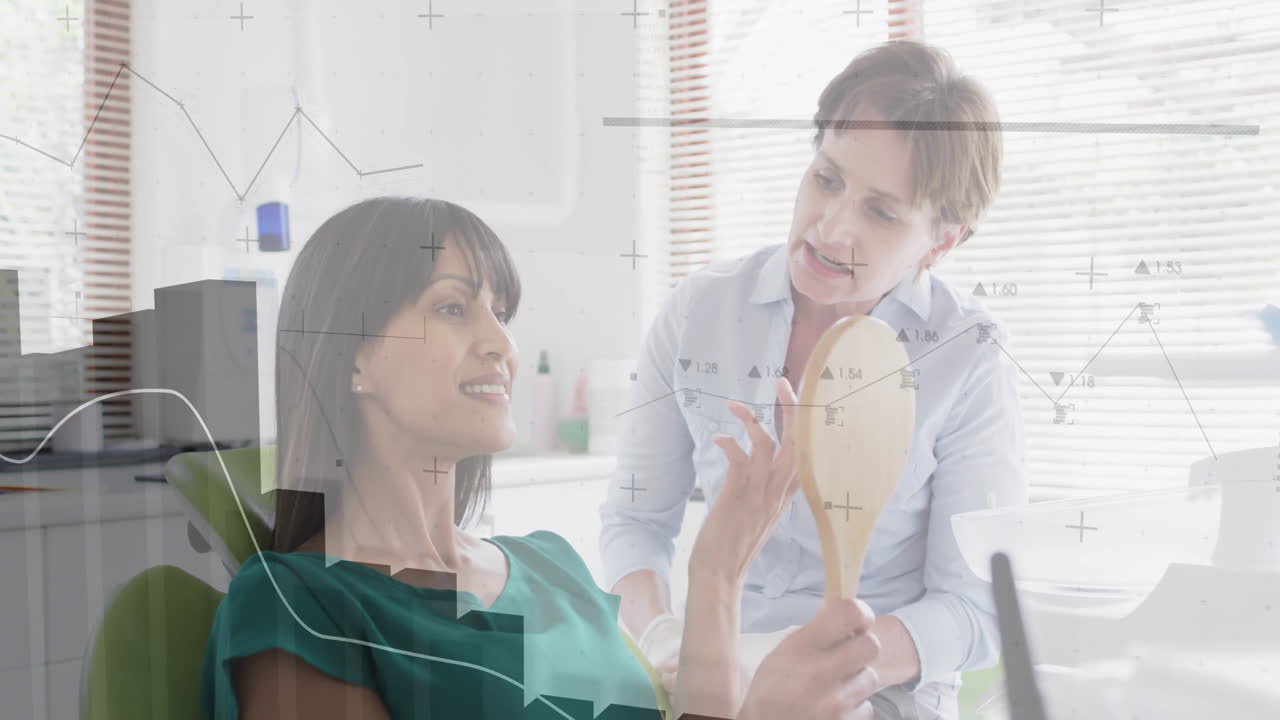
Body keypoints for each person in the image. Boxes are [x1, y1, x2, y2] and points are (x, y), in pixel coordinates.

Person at [200, 196, 884, 720]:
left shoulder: (552, 565)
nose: (502, 342)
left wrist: (715, 576)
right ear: (353, 358)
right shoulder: (299, 604)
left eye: (502, 312)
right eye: (452, 308)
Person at [599, 40, 1028, 720]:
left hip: (877, 693)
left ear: (941, 243)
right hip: (714, 678)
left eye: (881, 212)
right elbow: (634, 520)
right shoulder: (699, 313)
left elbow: (974, 610)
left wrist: (815, 665)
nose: (829, 229)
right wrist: (661, 636)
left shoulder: (966, 356)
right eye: (827, 180)